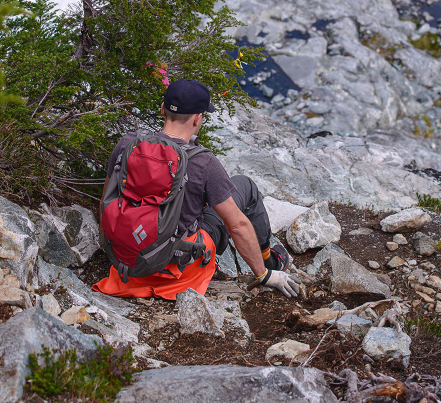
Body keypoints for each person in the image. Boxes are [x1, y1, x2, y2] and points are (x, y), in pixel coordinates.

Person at [93, 79, 300, 300]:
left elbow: (107, 199)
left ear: (163, 109)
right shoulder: (202, 161)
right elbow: (237, 226)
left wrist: (113, 250)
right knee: (245, 186)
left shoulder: (127, 144)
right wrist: (264, 275)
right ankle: (269, 261)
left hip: (127, 264)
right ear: (197, 118)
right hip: (177, 272)